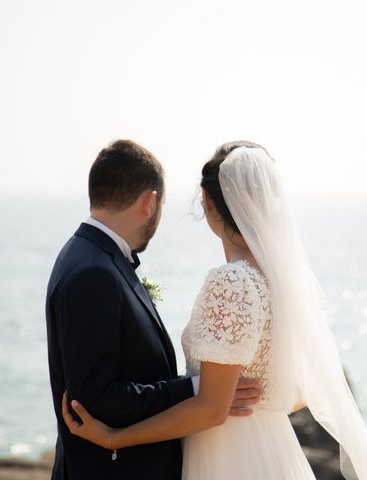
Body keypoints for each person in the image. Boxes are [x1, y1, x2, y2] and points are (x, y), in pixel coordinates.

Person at [61, 141, 367, 480]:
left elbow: (211, 409)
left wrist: (115, 437)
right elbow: (295, 392)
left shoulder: (232, 282)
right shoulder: (295, 284)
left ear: (209, 205)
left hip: (226, 452)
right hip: (272, 445)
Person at [45, 140, 263, 480]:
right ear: (150, 201)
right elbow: (97, 398)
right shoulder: (94, 272)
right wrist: (197, 389)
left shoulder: (91, 257)